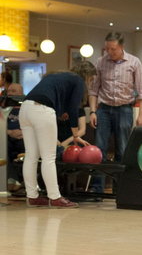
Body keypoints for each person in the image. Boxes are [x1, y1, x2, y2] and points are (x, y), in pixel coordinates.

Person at [19, 62, 96, 208]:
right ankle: (55, 197)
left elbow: (53, 97)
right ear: (87, 76)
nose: (90, 83)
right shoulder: (78, 80)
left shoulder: (59, 75)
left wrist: (61, 112)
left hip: (25, 108)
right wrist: (75, 134)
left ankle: (32, 196)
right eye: (91, 80)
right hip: (42, 110)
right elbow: (74, 109)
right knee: (49, 157)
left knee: (31, 156)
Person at [88, 32, 142, 192]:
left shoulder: (134, 62)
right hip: (104, 109)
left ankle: (121, 188)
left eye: (113, 49)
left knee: (123, 148)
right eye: (107, 48)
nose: (110, 52)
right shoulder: (100, 62)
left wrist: (141, 115)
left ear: (121, 47)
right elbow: (93, 90)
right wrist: (93, 111)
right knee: (99, 148)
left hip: (124, 109)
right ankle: (97, 188)